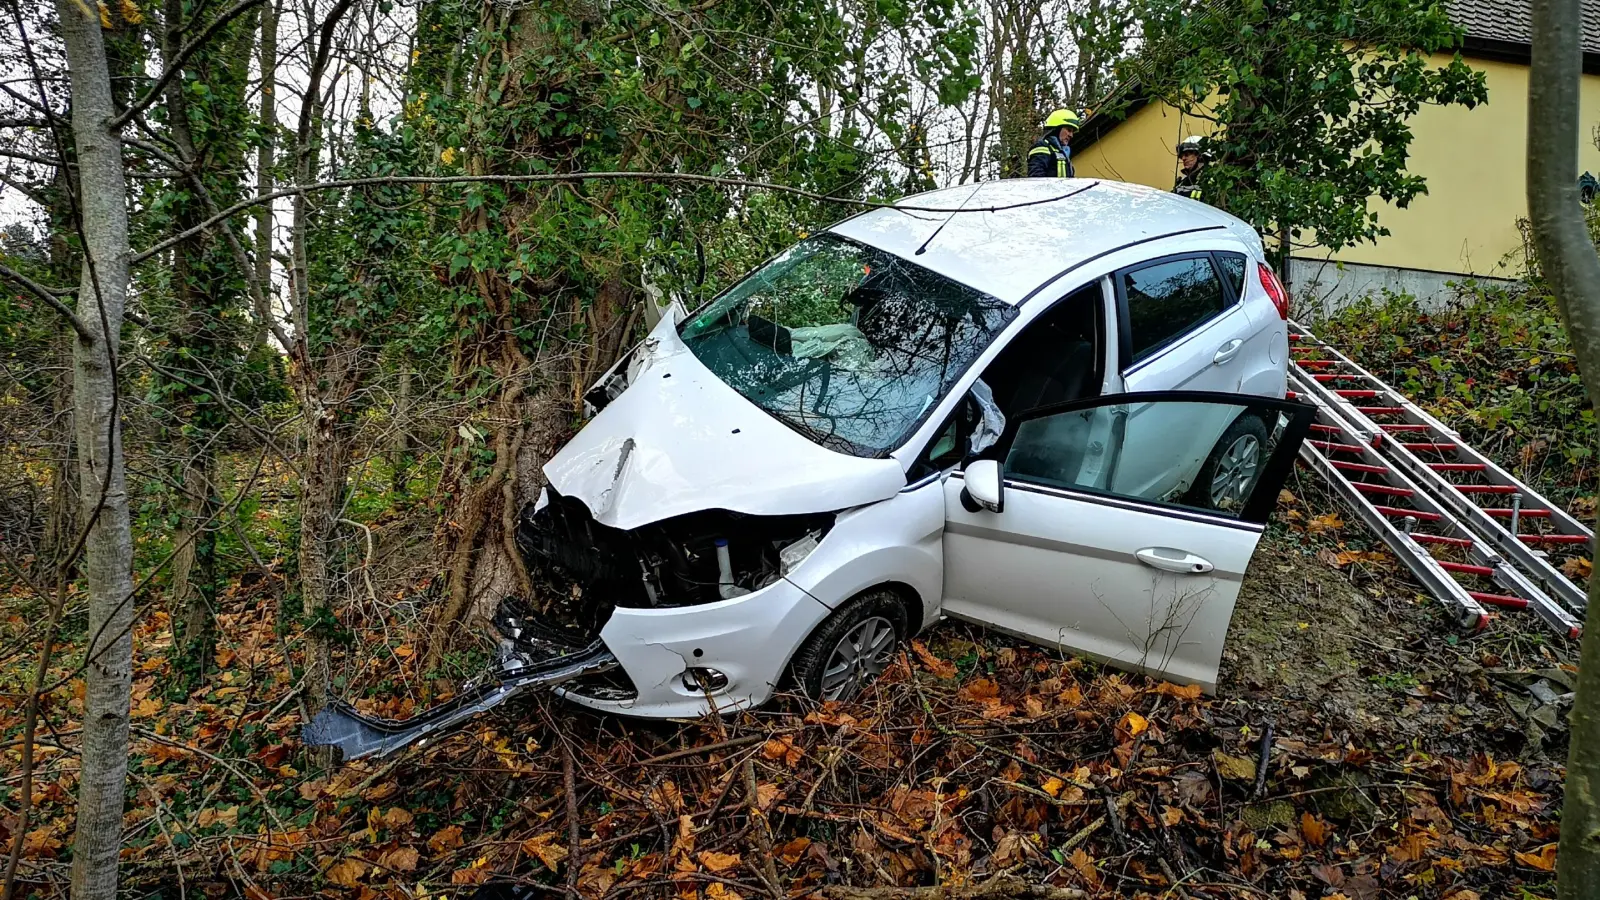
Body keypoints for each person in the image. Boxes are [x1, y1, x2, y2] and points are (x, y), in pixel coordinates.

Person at [1028, 109, 1082, 178]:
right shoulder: (1042, 147)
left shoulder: (1062, 153)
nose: (1071, 135)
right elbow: (1036, 178)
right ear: (1057, 129)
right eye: (1068, 130)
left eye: (1072, 132)